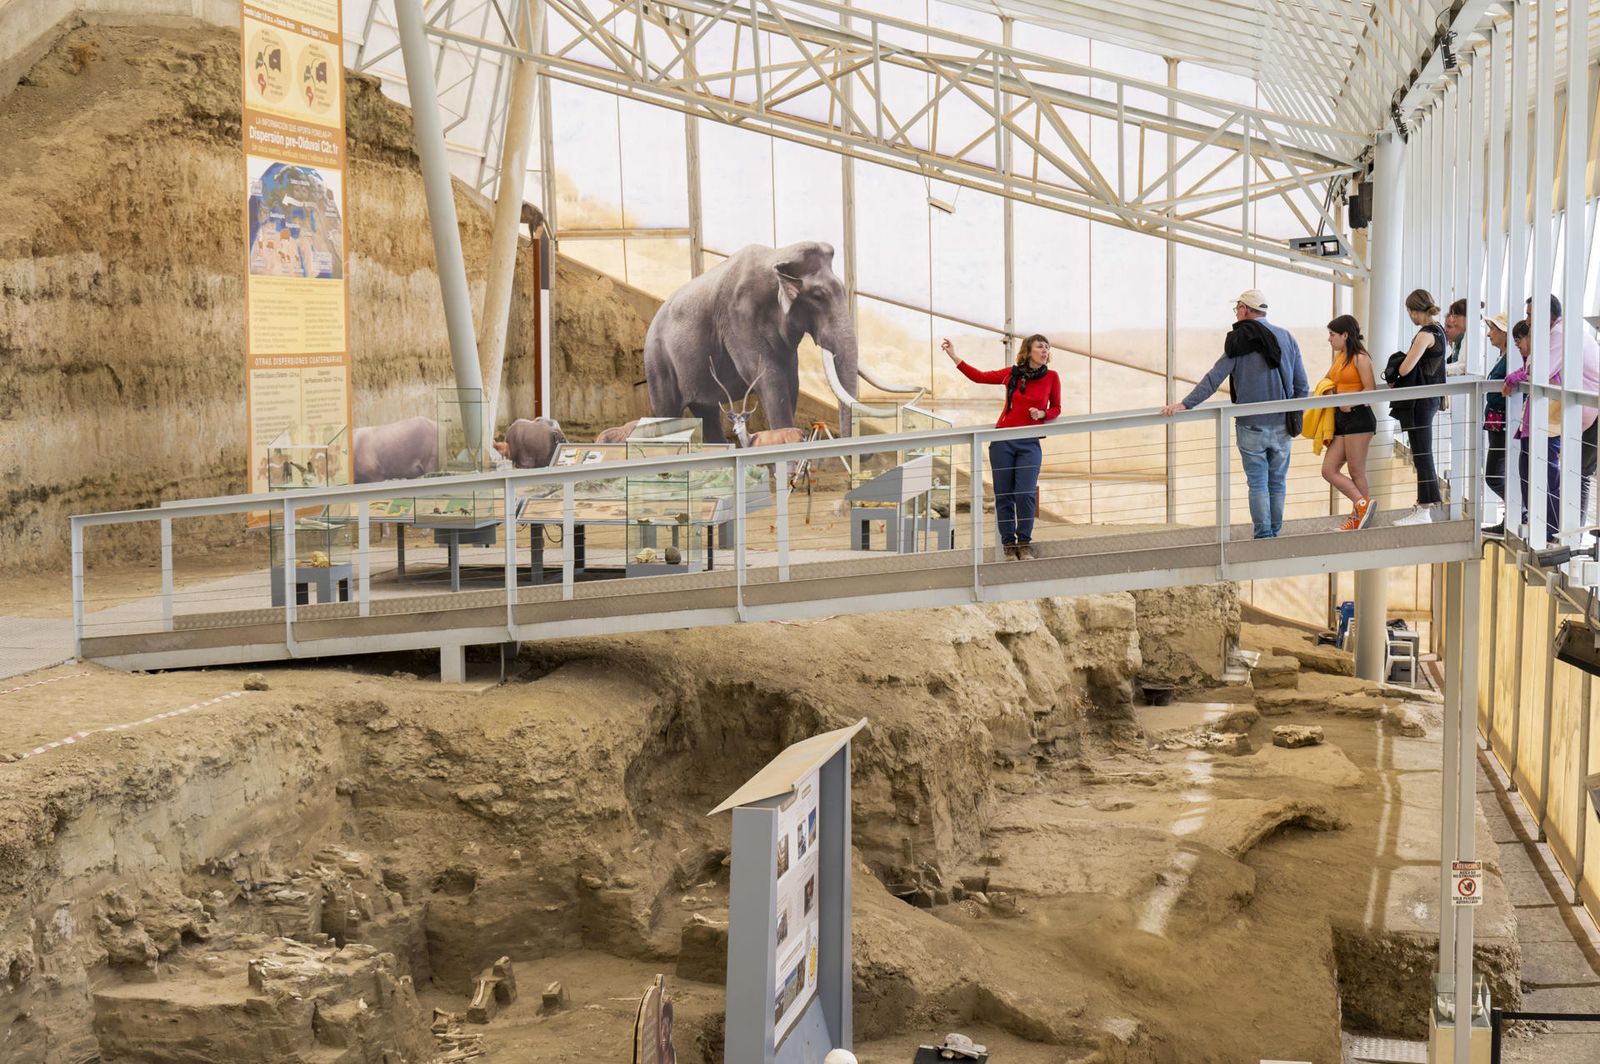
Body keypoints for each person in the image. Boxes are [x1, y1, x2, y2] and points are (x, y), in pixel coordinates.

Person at [1160, 289, 1309, 539]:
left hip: (1251, 425)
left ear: (1244, 309)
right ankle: (1275, 530)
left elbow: (1214, 377)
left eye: (1237, 308)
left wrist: (1186, 404)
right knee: (1277, 482)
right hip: (1283, 423)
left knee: (1258, 483)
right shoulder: (1287, 337)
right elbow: (1302, 385)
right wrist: (1293, 414)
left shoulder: (1239, 340)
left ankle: (1264, 535)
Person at [942, 334, 1061, 559]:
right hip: (1002, 442)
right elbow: (979, 377)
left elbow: (1056, 407)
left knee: (1025, 493)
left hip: (1029, 443)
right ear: (1028, 351)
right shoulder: (1012, 373)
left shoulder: (1052, 377)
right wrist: (954, 356)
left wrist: (1043, 413)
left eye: (1047, 347)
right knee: (1004, 495)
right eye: (1040, 346)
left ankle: (1024, 543)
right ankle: (1009, 545)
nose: (1045, 350)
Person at [1388, 289, 1448, 526]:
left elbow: (1405, 368)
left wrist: (1398, 364)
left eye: (1409, 312)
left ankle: (1424, 509)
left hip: (1421, 401)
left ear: (1415, 310)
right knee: (1423, 451)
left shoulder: (1425, 335)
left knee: (1422, 452)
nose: (1410, 317)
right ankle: (1425, 503)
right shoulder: (1440, 331)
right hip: (1431, 398)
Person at [1319, 315, 1378, 530]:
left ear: (1345, 335)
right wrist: (1333, 393)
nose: (1329, 339)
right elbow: (1327, 381)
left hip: (1359, 419)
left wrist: (1350, 403)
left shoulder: (1361, 358)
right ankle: (1362, 506)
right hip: (1341, 420)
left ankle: (1360, 518)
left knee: (1356, 471)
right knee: (1328, 470)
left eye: (1332, 335)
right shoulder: (1340, 357)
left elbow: (1370, 390)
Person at [1481, 312, 1511, 535]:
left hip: (1502, 422)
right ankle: (1512, 516)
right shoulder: (1503, 357)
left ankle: (1519, 511)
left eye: (1494, 330)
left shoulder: (1510, 359)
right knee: (1497, 472)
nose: (1489, 334)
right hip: (1495, 422)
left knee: (1493, 474)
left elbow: (1499, 392)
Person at [1444, 298, 1468, 375]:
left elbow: (1465, 367)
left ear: (1466, 316)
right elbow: (1461, 364)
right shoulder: (1467, 336)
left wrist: (1441, 370)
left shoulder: (1477, 335)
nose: (1453, 321)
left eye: (1455, 316)